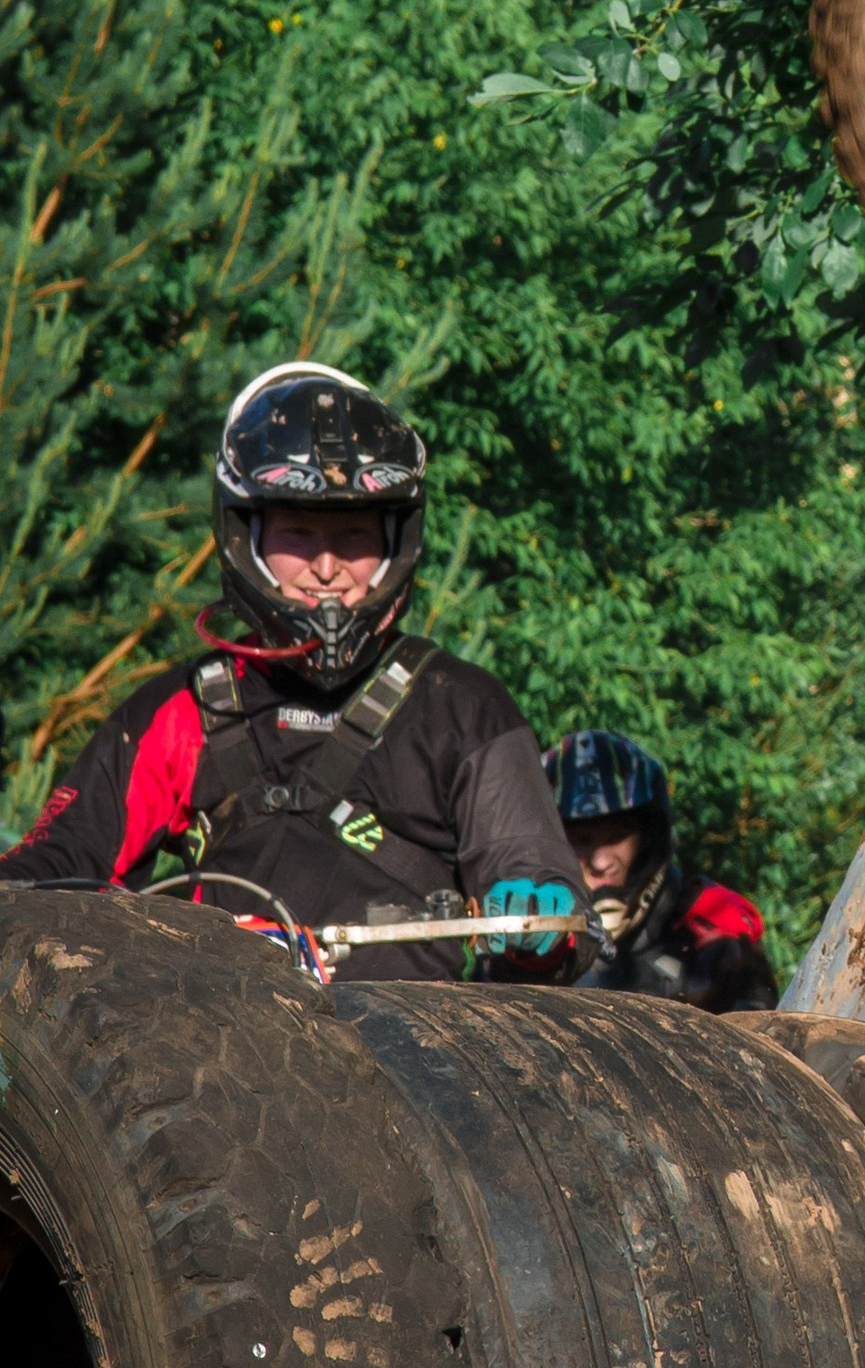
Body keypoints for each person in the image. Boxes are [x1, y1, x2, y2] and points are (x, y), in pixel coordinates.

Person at [1, 363, 587, 979]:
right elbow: (61, 860)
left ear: (396, 542)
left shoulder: (463, 707)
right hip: (218, 1044)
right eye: (300, 533)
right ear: (247, 535)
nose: (328, 566)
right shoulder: (185, 709)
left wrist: (538, 911)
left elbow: (532, 872)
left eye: (355, 535)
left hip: (421, 1058)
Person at [546, 728, 778, 1011]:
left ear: (649, 838)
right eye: (581, 841)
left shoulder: (714, 930)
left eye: (617, 836)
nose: (601, 863)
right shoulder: (522, 937)